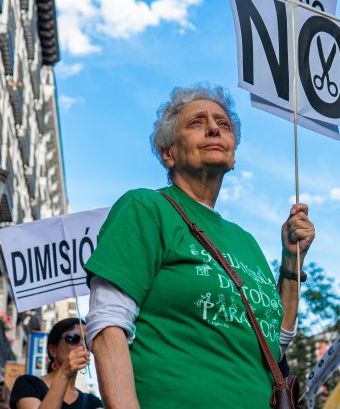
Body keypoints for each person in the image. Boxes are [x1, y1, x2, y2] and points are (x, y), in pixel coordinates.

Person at [83, 83, 315, 408]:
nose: (212, 129)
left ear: (233, 155)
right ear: (168, 153)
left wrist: (292, 262)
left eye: (224, 125)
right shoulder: (146, 209)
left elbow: (274, 346)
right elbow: (108, 325)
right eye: (196, 123)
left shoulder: (245, 241)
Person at [10, 318, 104, 409]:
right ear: (53, 350)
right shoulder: (28, 384)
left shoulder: (92, 402)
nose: (83, 346)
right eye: (72, 338)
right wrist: (64, 373)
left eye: (87, 341)